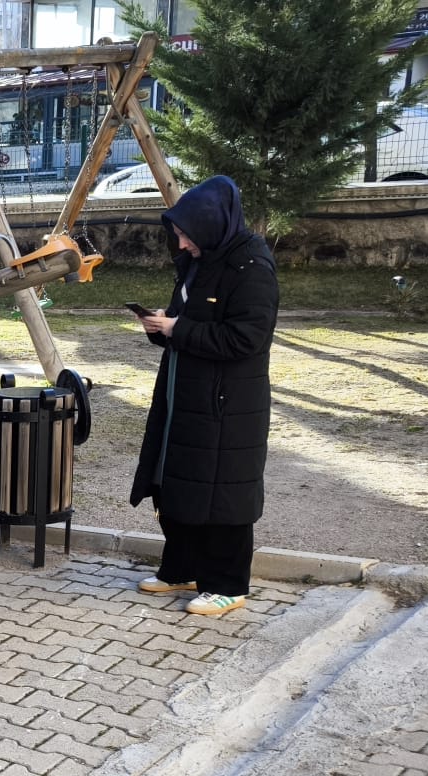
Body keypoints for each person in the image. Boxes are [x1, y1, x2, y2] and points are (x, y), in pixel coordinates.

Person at [131, 176, 277, 617]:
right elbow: (188, 322)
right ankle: (182, 569)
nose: (180, 243)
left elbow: (247, 338)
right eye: (178, 234)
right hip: (184, 394)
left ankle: (227, 584)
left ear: (211, 226)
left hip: (226, 404)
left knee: (223, 493)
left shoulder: (251, 266)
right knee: (176, 481)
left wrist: (178, 328)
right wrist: (162, 325)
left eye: (186, 234)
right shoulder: (199, 261)